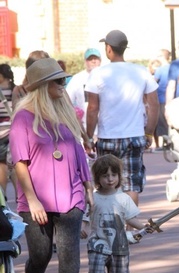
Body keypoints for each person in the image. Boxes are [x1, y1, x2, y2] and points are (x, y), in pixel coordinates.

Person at [9, 58, 94, 273]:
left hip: (71, 196)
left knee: (70, 254)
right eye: (58, 81)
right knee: (41, 254)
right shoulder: (23, 118)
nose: (63, 84)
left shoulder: (64, 111)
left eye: (64, 80)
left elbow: (78, 149)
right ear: (43, 85)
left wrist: (88, 185)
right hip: (35, 200)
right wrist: (32, 199)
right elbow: (20, 163)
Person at [86, 29, 159, 209]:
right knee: (131, 184)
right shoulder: (141, 71)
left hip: (107, 137)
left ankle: (111, 224)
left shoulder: (98, 74)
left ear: (109, 49)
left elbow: (93, 108)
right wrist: (149, 133)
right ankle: (129, 228)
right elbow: (154, 105)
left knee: (106, 183)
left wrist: (88, 136)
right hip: (134, 135)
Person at [81, 154, 154, 273]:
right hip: (97, 243)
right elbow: (86, 217)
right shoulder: (92, 198)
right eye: (105, 176)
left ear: (119, 176)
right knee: (95, 271)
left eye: (114, 175)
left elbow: (131, 219)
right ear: (97, 178)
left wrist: (144, 227)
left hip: (119, 244)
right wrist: (83, 229)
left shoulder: (123, 198)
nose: (110, 179)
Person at [66, 48, 102, 132]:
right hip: (84, 129)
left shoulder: (106, 77)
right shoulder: (77, 79)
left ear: (100, 61)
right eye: (90, 59)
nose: (93, 61)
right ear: (85, 61)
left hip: (104, 129)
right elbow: (67, 100)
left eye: (96, 58)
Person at [0, 64, 15, 197]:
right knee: (16, 164)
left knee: (2, 164)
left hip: (1, 132)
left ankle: (3, 195)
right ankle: (19, 195)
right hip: (13, 130)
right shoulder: (15, 89)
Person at [153, 49, 171, 150]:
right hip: (172, 99)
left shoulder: (160, 70)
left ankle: (164, 143)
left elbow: (153, 83)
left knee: (162, 122)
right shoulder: (172, 68)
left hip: (161, 99)